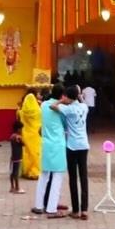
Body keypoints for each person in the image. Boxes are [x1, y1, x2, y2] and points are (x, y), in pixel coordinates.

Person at [32, 83, 68, 217]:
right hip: (58, 144)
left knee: (44, 176)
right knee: (57, 177)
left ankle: (38, 205)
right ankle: (52, 208)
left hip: (46, 143)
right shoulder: (61, 108)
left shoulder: (43, 105)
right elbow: (65, 123)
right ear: (62, 95)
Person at [60, 85, 90, 218]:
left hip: (72, 146)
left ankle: (75, 210)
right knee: (84, 177)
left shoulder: (67, 109)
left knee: (73, 178)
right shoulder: (84, 107)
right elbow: (82, 101)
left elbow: (52, 106)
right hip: (84, 145)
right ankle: (84, 210)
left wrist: (61, 101)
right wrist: (78, 95)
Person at [19, 88, 42, 180]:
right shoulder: (37, 110)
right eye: (38, 94)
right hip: (36, 133)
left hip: (26, 133)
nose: (39, 96)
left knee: (27, 152)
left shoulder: (22, 111)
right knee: (36, 152)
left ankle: (26, 171)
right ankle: (34, 171)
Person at [9, 118, 24, 193]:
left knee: (12, 172)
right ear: (18, 129)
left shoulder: (12, 136)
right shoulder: (18, 137)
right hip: (18, 157)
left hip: (13, 157)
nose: (21, 131)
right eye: (21, 129)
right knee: (16, 173)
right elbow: (23, 144)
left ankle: (12, 187)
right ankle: (17, 187)